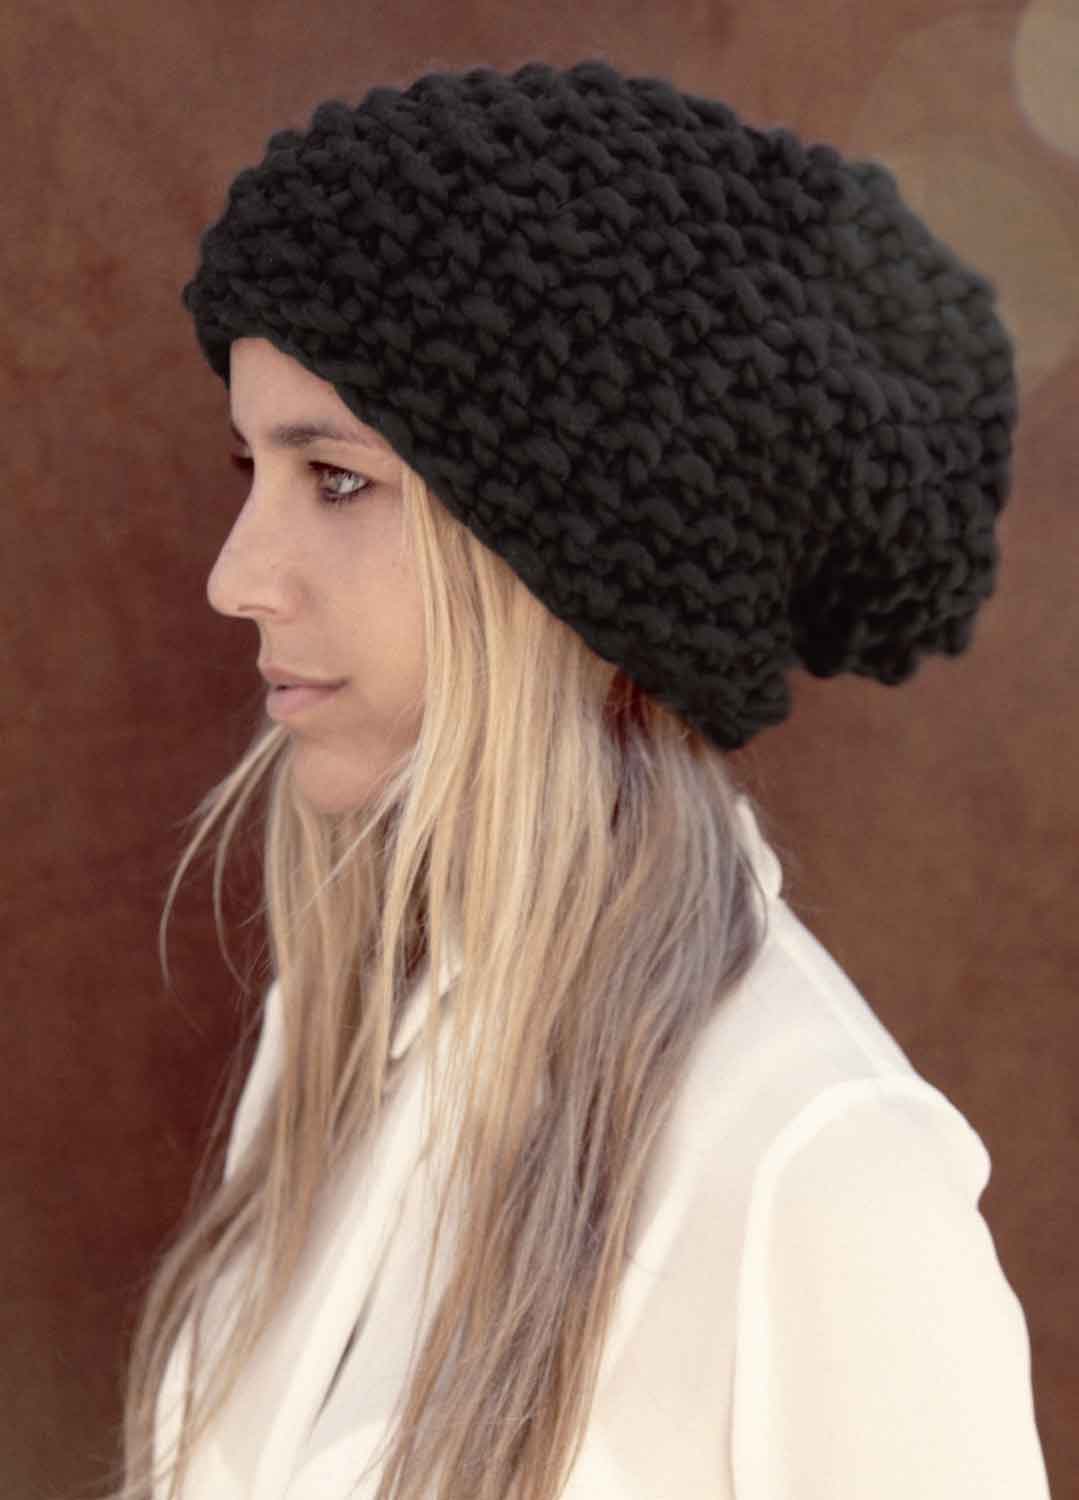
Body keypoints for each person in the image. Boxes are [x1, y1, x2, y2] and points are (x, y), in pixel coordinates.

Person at [100, 58, 1052, 1500]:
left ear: (563, 575)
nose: (238, 576)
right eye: (252, 469)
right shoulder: (346, 1038)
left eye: (337, 478)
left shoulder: (819, 1169)